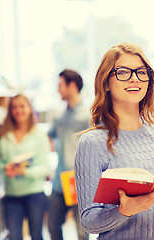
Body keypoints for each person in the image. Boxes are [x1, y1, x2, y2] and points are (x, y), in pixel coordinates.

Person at [74, 42, 154, 240]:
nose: (134, 79)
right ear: (105, 82)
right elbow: (89, 221)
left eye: (141, 72)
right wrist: (125, 211)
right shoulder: (92, 142)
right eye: (123, 72)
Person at [0, 94, 50, 240]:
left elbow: (45, 168)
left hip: (34, 193)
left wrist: (24, 172)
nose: (18, 110)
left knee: (36, 235)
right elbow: (0, 163)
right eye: (14, 107)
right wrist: (5, 169)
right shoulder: (5, 136)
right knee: (14, 236)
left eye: (22, 106)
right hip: (12, 195)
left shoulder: (39, 136)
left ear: (29, 109)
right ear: (10, 110)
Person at [47, 69, 90, 240]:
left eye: (60, 85)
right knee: (52, 225)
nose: (58, 89)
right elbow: (50, 136)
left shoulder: (88, 116)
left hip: (80, 181)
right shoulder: (59, 115)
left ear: (72, 86)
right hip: (59, 181)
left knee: (82, 231)